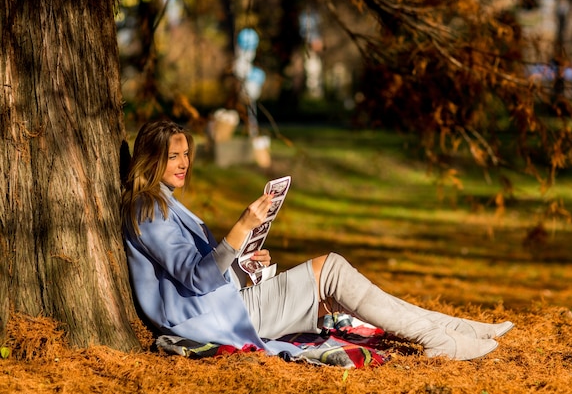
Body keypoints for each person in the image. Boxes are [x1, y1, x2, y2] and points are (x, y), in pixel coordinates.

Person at [121, 119, 514, 361]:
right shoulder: (147, 209)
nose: (185, 163)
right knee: (331, 269)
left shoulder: (164, 204)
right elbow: (196, 279)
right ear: (152, 159)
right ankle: (439, 337)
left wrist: (243, 266)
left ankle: (454, 329)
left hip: (222, 305)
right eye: (174, 156)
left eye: (187, 154)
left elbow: (206, 275)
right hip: (210, 321)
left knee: (332, 273)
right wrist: (240, 228)